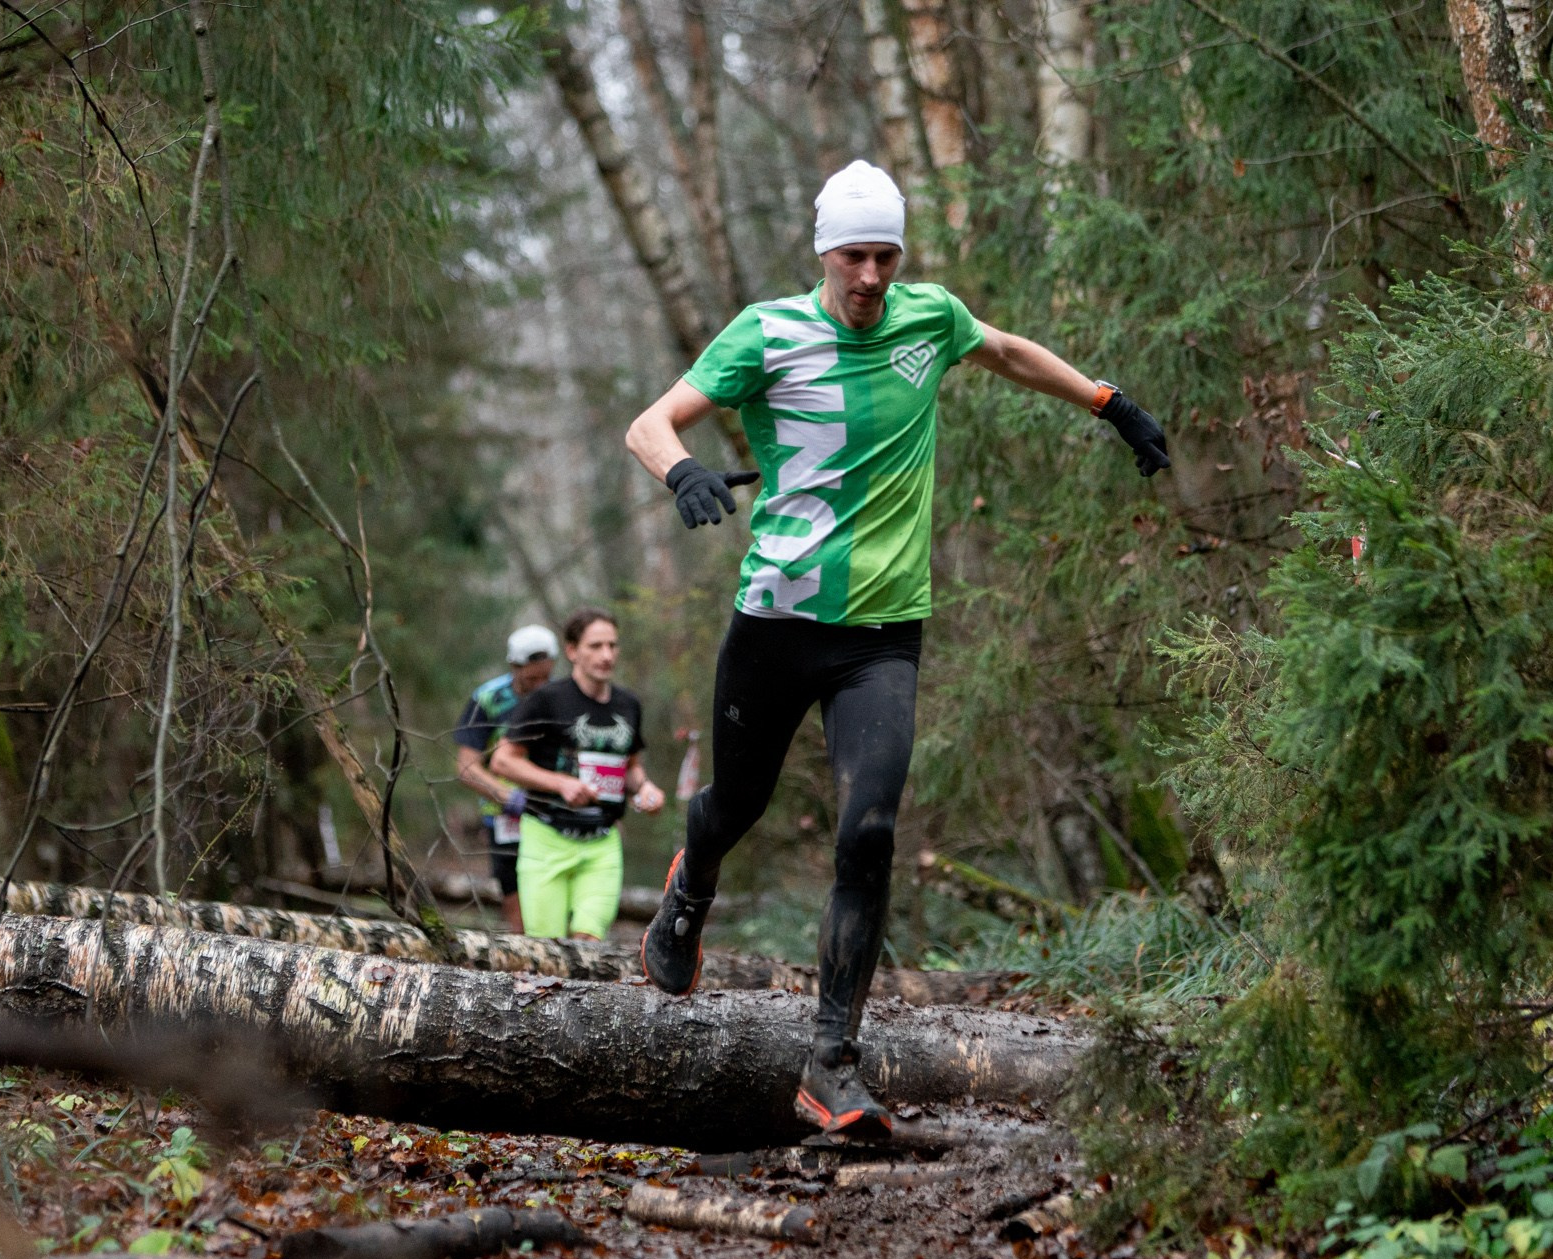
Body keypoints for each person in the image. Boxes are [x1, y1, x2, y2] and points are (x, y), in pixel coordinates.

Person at [624, 159, 1172, 1139]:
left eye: (885, 255)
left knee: (867, 831)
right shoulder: (766, 333)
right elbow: (649, 423)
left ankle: (829, 1060)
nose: (870, 275)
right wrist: (680, 475)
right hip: (775, 623)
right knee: (733, 806)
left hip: (881, 635)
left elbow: (1003, 351)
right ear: (823, 252)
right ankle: (688, 887)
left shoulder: (930, 318)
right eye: (853, 256)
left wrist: (1108, 403)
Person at [489, 607, 666, 939]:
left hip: (602, 842)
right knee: (548, 952)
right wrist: (561, 784)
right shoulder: (547, 700)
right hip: (546, 837)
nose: (606, 655)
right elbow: (502, 762)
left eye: (612, 646)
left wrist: (646, 789)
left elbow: (631, 767)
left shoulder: (629, 704)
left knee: (588, 944)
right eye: (595, 646)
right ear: (572, 651)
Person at [452, 624, 558, 933]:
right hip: (504, 814)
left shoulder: (561, 696)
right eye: (531, 678)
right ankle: (525, 959)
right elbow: (466, 766)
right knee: (513, 889)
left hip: (552, 808)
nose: (540, 686)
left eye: (545, 677)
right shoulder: (488, 699)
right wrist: (506, 795)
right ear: (515, 667)